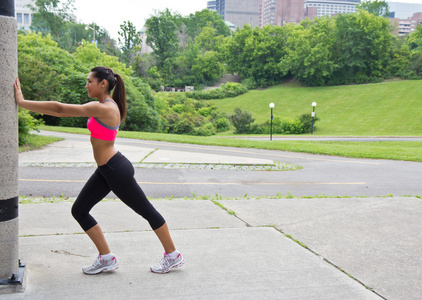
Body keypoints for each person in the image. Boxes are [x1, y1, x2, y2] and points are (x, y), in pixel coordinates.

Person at [14, 66, 184, 275]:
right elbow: (60, 110)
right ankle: (106, 258)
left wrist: (22, 102)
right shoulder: (105, 105)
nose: (86, 85)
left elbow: (59, 109)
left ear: (103, 84)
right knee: (79, 210)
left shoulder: (104, 108)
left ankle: (172, 255)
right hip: (107, 170)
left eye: (89, 81)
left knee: (147, 211)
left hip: (115, 170)